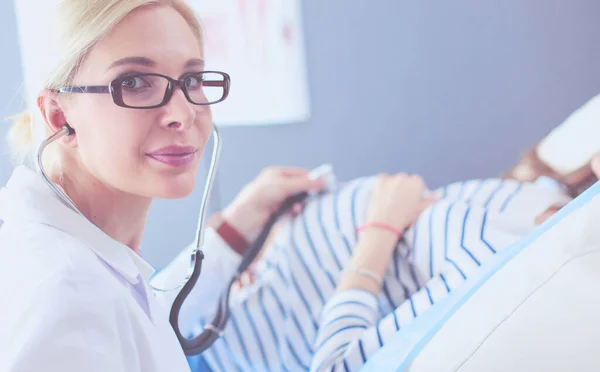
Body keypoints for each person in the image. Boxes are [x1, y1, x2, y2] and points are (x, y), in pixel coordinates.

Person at [0, 1, 324, 371]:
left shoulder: (78, 261)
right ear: (59, 115)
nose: (183, 114)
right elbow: (95, 315)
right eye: (134, 82)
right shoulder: (64, 294)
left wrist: (234, 231)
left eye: (192, 81)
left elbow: (133, 323)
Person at [171, 152, 598, 371]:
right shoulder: (548, 192)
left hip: (214, 355)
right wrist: (244, 234)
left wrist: (378, 231)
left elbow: (337, 367)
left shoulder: (507, 256)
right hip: (213, 299)